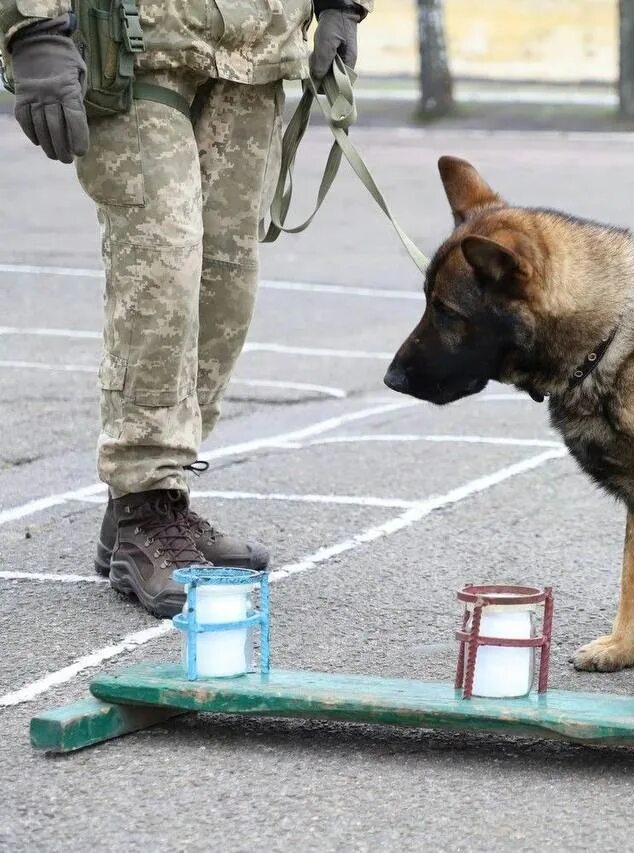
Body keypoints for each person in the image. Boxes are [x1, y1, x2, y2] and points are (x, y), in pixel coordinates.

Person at [0, 0, 369, 616]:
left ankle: (149, 500)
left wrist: (340, 6)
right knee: (160, 269)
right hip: (133, 41)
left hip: (253, 52)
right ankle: (146, 501)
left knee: (225, 279)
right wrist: (33, 27)